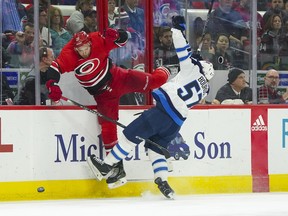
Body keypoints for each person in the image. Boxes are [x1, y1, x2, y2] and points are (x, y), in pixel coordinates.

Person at [86, 16, 215, 199]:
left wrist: (178, 28)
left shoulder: (192, 68)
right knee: (155, 148)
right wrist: (195, 61)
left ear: (200, 65)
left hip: (162, 112)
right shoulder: (205, 88)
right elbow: (192, 73)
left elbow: (181, 48)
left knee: (129, 137)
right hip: (175, 123)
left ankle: (106, 166)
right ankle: (163, 181)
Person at [45, 28, 170, 188]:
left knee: (153, 82)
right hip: (103, 96)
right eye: (80, 50)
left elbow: (124, 40)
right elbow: (54, 70)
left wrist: (119, 35)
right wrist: (52, 84)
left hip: (119, 77)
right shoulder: (69, 53)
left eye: (86, 48)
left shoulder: (98, 39)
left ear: (90, 43)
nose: (83, 52)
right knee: (108, 127)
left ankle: (169, 71)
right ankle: (117, 169)